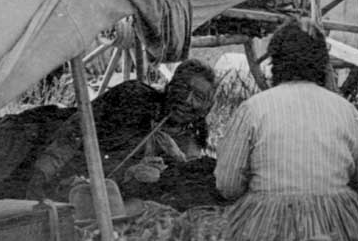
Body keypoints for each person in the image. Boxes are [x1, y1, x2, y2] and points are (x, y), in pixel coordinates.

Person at [215, 20, 358, 241]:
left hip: (266, 231)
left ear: (275, 62)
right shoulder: (345, 110)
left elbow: (228, 185)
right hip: (336, 232)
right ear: (321, 64)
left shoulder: (252, 109)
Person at [26, 58, 217, 201]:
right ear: (170, 86)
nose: (186, 100)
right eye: (183, 88)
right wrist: (44, 171)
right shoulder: (132, 96)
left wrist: (176, 163)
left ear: (206, 109)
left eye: (198, 97)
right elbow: (77, 129)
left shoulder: (189, 145)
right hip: (66, 179)